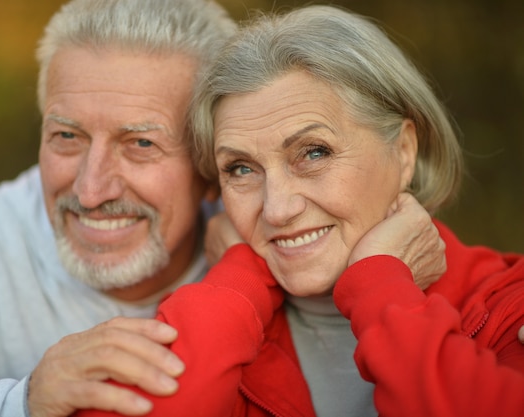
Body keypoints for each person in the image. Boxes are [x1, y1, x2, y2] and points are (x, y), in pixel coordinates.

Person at [77, 4, 524, 417]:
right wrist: (241, 280)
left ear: (404, 151)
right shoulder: (207, 325)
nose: (277, 209)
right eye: (241, 168)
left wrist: (381, 285)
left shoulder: (509, 306)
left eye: (313, 153)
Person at [0, 0, 237, 416]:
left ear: (211, 171)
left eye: (141, 144)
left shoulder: (268, 244)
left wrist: (252, 267)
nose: (91, 191)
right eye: (67, 136)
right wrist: (21, 403)